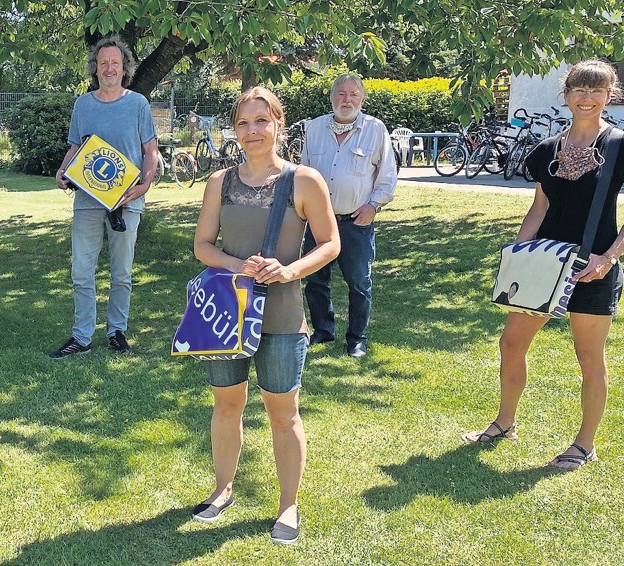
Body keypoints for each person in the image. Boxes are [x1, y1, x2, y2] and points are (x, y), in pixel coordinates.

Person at [463, 60, 624, 470]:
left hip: (593, 267)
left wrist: (608, 258)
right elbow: (539, 208)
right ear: (566, 96)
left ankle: (584, 444)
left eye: (596, 90)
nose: (587, 98)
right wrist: (517, 256)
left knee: (588, 356)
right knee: (511, 343)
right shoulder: (546, 150)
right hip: (544, 265)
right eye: (579, 90)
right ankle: (505, 423)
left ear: (609, 95)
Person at [191, 86, 340, 544]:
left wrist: (287, 269)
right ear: (234, 130)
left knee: (283, 413)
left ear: (278, 124)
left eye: (261, 121)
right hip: (226, 314)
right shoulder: (220, 181)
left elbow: (330, 243)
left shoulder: (305, 180)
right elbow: (202, 246)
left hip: (282, 315)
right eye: (243, 123)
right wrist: (238, 266)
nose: (252, 131)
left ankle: (289, 504)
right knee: (227, 405)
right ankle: (222, 489)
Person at [49, 35, 159, 358]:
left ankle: (117, 332)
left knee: (122, 272)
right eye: (103, 63)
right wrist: (61, 170)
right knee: (81, 271)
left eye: (115, 62)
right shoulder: (82, 105)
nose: (109, 68)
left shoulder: (138, 104)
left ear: (124, 68)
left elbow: (149, 151)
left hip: (127, 201)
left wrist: (144, 185)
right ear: (94, 69)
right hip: (87, 202)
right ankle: (81, 337)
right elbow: (75, 147)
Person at [300, 73, 398, 358]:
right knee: (316, 279)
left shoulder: (375, 129)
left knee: (359, 282)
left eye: (354, 94)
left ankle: (357, 339)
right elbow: (304, 172)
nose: (347, 99)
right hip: (318, 221)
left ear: (362, 99)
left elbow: (388, 176)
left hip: (356, 222)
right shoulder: (315, 128)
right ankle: (323, 330)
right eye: (341, 94)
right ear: (331, 98)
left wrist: (373, 206)